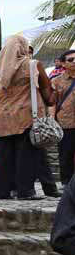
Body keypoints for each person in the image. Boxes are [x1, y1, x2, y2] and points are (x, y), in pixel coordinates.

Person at [0, 35, 58, 199]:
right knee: (26, 154)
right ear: (23, 47)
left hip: (2, 117)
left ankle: (2, 191)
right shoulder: (32, 65)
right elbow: (46, 90)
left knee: (5, 156)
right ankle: (25, 191)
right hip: (25, 115)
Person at [53, 50, 75, 185]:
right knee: (65, 154)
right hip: (65, 123)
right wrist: (51, 119)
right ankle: (66, 182)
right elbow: (52, 103)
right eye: (70, 60)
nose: (74, 62)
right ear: (62, 63)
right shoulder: (56, 81)